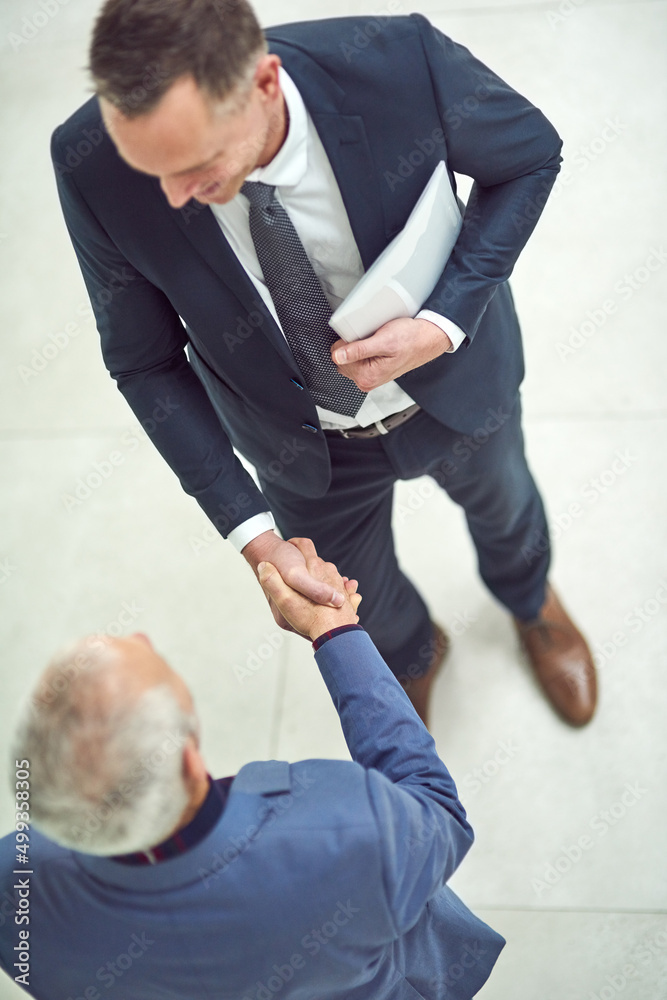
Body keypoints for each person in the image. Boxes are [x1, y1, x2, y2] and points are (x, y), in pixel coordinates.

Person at [51, 0, 596, 726]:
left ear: (265, 85)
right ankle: (413, 655)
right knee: (358, 595)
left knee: (507, 509)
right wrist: (252, 533)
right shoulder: (91, 160)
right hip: (299, 445)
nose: (174, 197)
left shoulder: (401, 61)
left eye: (196, 167)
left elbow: (529, 155)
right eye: (151, 171)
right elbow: (144, 363)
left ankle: (530, 604)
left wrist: (443, 320)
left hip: (458, 387)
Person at [0, 539, 504, 999]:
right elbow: (437, 811)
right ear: (190, 760)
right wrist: (336, 631)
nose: (140, 636)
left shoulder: (12, 885)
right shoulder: (343, 834)